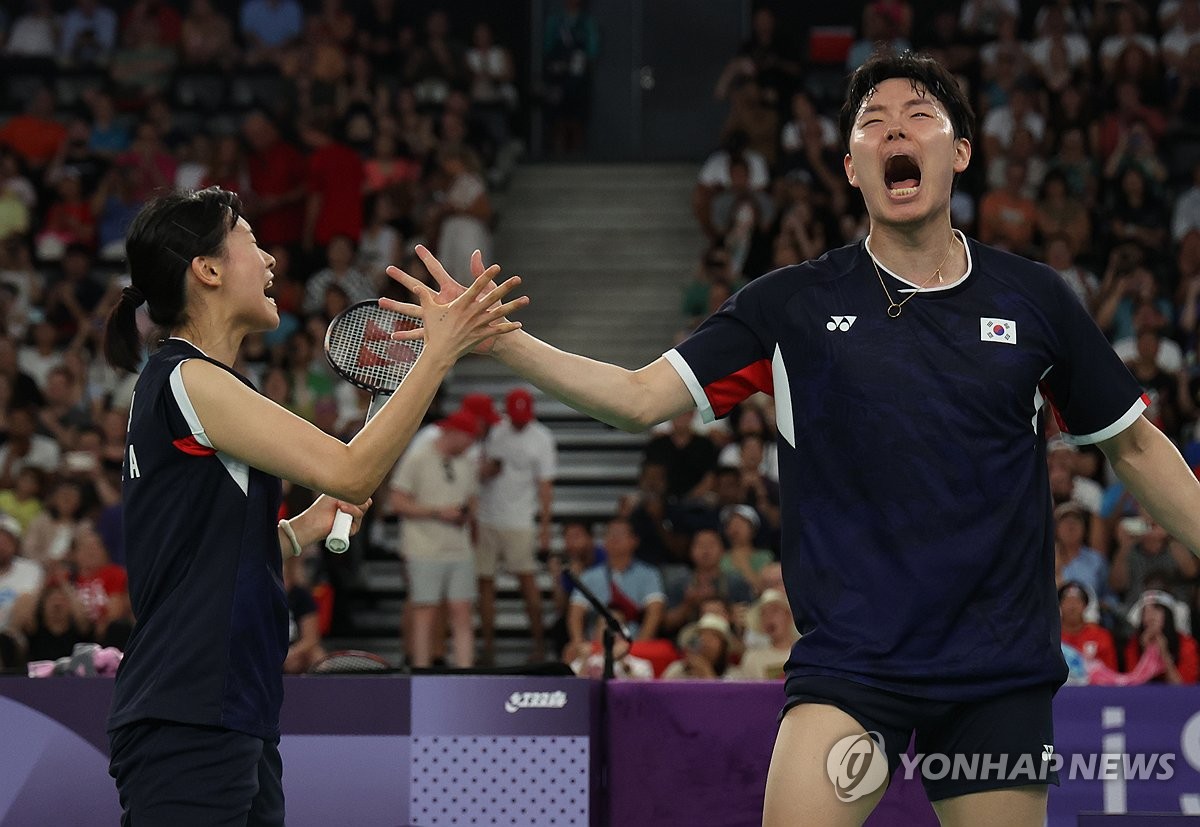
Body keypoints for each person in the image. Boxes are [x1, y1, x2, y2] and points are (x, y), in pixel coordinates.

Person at [389, 51, 1200, 827]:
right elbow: (639, 399)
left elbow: (1134, 446)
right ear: (851, 167)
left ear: (959, 151)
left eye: (917, 117)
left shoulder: (1035, 301)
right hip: (852, 668)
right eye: (871, 123)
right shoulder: (791, 305)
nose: (893, 133)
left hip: (996, 671)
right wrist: (501, 342)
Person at [100, 186, 524, 825]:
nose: (270, 260)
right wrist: (440, 351)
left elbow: (201, 553)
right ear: (207, 270)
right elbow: (353, 471)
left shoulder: (190, 387)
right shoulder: (190, 380)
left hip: (233, 706)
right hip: (189, 706)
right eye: (248, 239)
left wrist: (299, 530)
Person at [389, 409, 482, 669]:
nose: (471, 444)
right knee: (424, 611)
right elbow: (396, 501)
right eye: (469, 438)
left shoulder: (467, 462)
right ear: (454, 433)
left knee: (462, 612)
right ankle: (421, 671)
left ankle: (465, 671)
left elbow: (472, 498)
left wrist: (466, 514)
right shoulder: (418, 458)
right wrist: (437, 512)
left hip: (459, 548)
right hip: (423, 548)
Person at [475, 387, 556, 664]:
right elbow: (481, 471)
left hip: (520, 520)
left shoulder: (542, 438)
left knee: (528, 584)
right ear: (508, 412)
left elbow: (545, 486)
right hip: (488, 518)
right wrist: (487, 471)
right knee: (485, 583)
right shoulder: (496, 432)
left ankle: (539, 644)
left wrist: (544, 528)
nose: (521, 421)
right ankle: (487, 646)